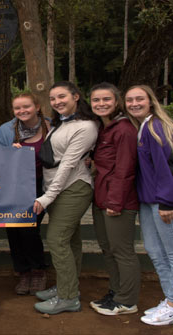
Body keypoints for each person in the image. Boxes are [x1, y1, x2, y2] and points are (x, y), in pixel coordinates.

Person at [33, 81, 99, 315]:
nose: (57, 102)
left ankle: (68, 297)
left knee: (57, 239)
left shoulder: (86, 126)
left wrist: (47, 197)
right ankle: (67, 286)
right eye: (52, 98)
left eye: (62, 96)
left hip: (73, 188)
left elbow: (69, 164)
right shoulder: (60, 123)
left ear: (76, 97)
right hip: (57, 187)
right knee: (71, 241)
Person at [87, 83, 141, 316]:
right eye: (96, 100)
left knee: (122, 251)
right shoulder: (105, 128)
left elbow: (125, 170)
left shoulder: (125, 129)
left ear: (117, 102)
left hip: (118, 202)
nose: (101, 104)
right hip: (101, 198)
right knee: (108, 249)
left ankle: (127, 301)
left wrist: (115, 203)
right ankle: (116, 292)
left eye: (106, 99)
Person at [125, 85, 173, 326]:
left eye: (139, 99)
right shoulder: (142, 127)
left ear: (150, 101)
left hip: (161, 203)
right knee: (155, 252)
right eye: (130, 100)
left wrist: (166, 201)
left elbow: (165, 168)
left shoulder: (155, 127)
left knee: (170, 253)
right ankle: (171, 300)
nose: (134, 103)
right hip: (147, 201)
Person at [0, 92, 49, 295]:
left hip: (42, 186)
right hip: (15, 186)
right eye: (17, 108)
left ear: (37, 106)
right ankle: (23, 272)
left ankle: (38, 270)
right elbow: (0, 160)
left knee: (29, 228)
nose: (22, 111)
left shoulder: (50, 127)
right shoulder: (6, 130)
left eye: (26, 106)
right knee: (13, 228)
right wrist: (10, 152)